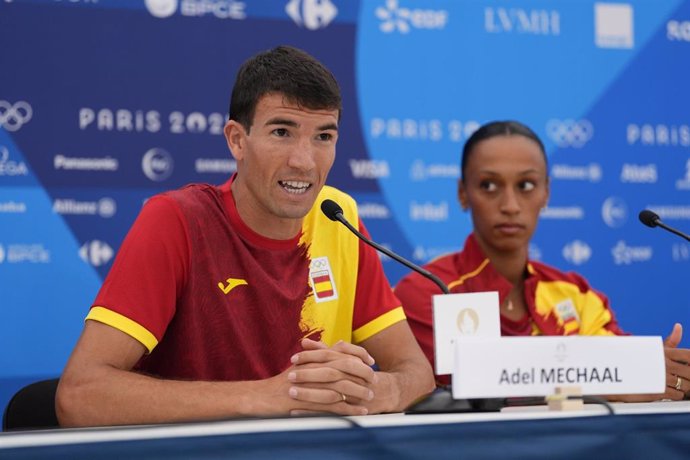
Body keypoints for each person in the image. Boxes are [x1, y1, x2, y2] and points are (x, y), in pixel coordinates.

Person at [56, 46, 434, 427]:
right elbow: (79, 396)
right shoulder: (178, 221)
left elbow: (416, 374)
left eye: (323, 136)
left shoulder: (338, 216)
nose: (304, 161)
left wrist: (372, 390)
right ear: (237, 140)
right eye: (282, 132)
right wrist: (267, 396)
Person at [394, 120, 690, 401]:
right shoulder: (428, 292)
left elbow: (630, 370)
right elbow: (475, 388)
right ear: (462, 193)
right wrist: (617, 378)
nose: (510, 206)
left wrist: (658, 370)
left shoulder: (576, 293)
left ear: (546, 192)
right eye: (488, 185)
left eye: (525, 185)